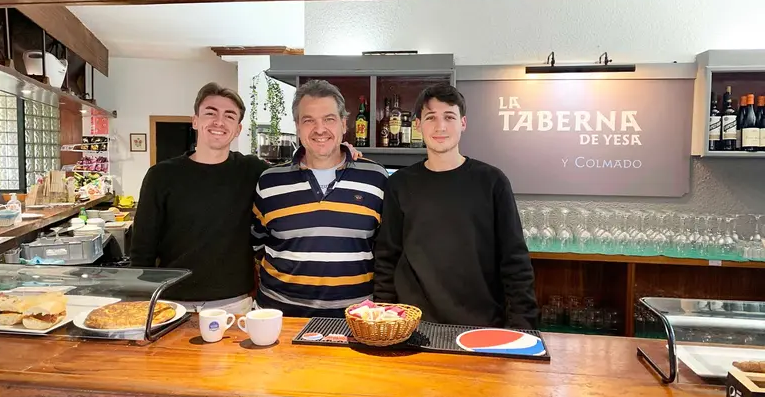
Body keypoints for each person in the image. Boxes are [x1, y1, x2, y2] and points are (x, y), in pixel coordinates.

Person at [373, 83, 539, 329]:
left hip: (482, 327)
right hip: (413, 327)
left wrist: (524, 328)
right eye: (431, 117)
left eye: (449, 117)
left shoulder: (492, 182)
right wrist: (383, 318)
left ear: (463, 123)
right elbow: (387, 258)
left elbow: (515, 261)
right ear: (418, 125)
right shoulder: (399, 184)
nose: (440, 126)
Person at [251, 80, 388, 318]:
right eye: (308, 120)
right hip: (280, 319)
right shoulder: (269, 181)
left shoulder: (376, 177)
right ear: (297, 126)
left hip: (355, 320)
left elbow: (385, 249)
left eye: (329, 119)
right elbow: (257, 245)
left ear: (344, 124)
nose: (319, 129)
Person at [130, 82, 269, 315]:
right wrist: (141, 302)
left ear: (238, 129)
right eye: (210, 113)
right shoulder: (161, 176)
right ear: (195, 121)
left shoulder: (252, 170)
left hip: (234, 303)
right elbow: (142, 247)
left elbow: (296, 172)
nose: (219, 122)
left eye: (229, 116)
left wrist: (343, 155)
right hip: (173, 302)